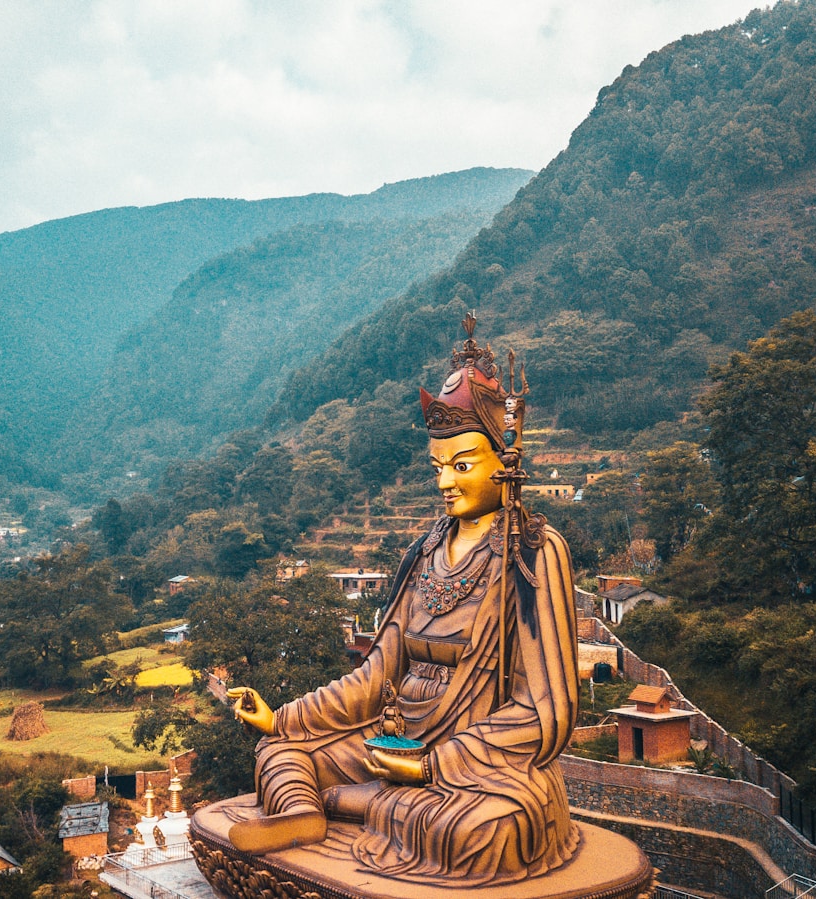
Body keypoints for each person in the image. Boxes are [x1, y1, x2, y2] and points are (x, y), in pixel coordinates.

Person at [225, 314, 580, 885]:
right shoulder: (424, 551)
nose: (446, 482)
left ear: (504, 462)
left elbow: (549, 713)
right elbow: (374, 677)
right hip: (398, 734)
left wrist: (434, 764)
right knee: (279, 756)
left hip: (476, 763)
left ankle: (347, 803)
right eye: (439, 467)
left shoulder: (535, 551)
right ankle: (304, 814)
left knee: (485, 831)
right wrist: (282, 718)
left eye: (463, 465)